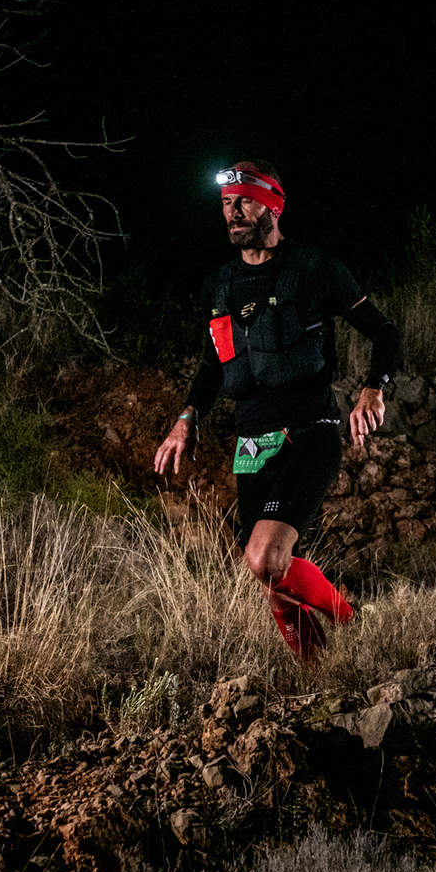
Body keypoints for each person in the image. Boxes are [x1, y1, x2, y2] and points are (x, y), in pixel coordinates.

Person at [153, 160, 402, 659]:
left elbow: (384, 332)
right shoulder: (219, 284)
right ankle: (320, 672)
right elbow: (212, 365)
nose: (233, 212)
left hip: (309, 430)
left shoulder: (314, 269)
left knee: (264, 556)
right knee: (272, 579)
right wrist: (186, 419)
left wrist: (373, 389)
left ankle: (353, 622)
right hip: (251, 442)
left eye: (244, 201)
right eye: (226, 204)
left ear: (272, 206)